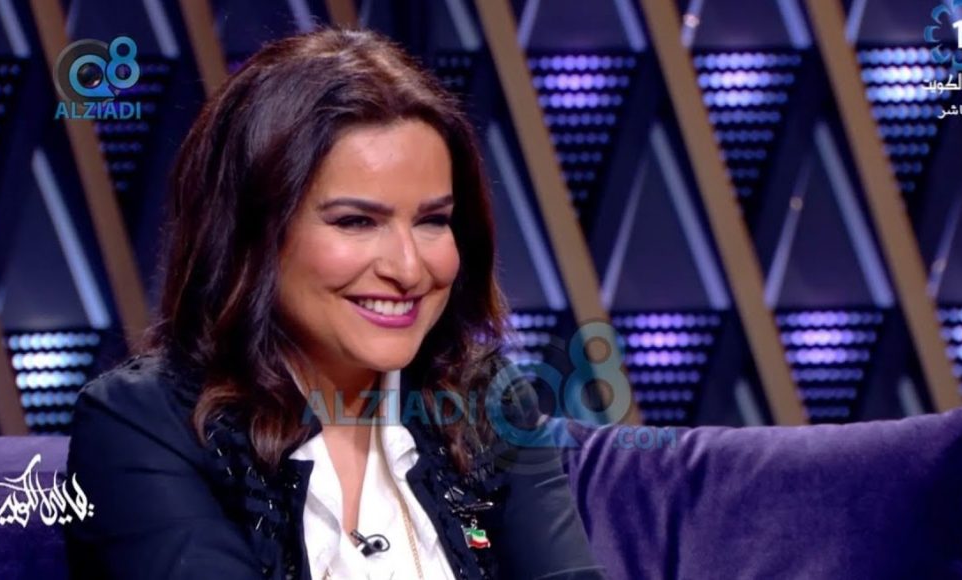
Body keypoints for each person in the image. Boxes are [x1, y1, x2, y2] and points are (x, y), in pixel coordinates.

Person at [65, 27, 606, 580]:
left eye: (432, 221)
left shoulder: (484, 401)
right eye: (356, 222)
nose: (408, 269)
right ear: (252, 235)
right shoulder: (141, 425)